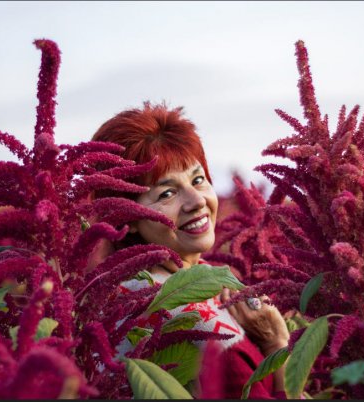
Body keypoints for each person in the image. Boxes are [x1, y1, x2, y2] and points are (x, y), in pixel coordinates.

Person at [92, 102, 289, 399]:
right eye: (167, 193)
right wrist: (277, 344)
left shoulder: (121, 292)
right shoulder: (197, 325)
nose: (196, 200)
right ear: (126, 217)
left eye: (198, 179)